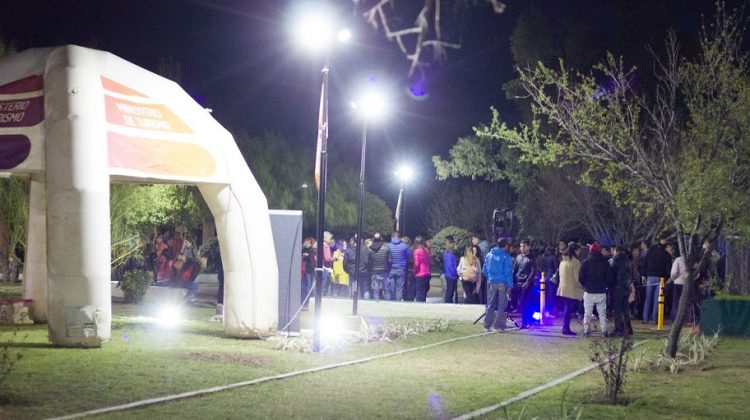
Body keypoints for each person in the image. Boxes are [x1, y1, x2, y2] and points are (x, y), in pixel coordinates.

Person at [579, 242, 614, 336]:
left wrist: (585, 285)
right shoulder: (605, 262)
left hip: (589, 291)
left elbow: (581, 277)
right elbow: (609, 277)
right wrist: (605, 285)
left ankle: (586, 331)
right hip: (601, 291)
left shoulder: (586, 262)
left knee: (587, 312)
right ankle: (604, 331)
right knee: (602, 313)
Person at [483, 238, 514, 332]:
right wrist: (510, 285)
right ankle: (498, 326)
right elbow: (508, 272)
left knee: (490, 304)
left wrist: (490, 278)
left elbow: (484, 269)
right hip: (502, 283)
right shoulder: (506, 257)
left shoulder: (489, 255)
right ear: (505, 246)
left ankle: (487, 325)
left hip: (492, 282)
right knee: (501, 305)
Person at [643, 236, 672, 324]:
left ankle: (645, 318)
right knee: (657, 299)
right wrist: (667, 278)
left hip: (650, 276)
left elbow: (645, 263)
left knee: (648, 298)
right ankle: (655, 318)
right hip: (661, 278)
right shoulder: (666, 254)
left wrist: (643, 275)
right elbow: (668, 268)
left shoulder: (651, 251)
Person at [557, 242, 583, 336]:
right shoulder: (575, 262)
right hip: (571, 289)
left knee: (566, 308)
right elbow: (577, 278)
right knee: (568, 309)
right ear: (575, 251)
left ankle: (566, 327)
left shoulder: (563, 261)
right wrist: (582, 287)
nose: (580, 252)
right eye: (579, 250)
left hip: (563, 288)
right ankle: (566, 328)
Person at [610, 246, 633, 336]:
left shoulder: (615, 260)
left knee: (618, 310)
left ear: (616, 251)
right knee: (625, 309)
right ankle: (628, 328)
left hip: (617, 287)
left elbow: (611, 273)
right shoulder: (627, 260)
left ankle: (618, 329)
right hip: (626, 287)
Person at [513, 239, 536, 328]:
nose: (522, 248)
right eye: (521, 246)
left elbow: (533, 271)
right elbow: (515, 270)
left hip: (527, 284)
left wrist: (527, 282)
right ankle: (525, 320)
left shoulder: (532, 258)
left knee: (525, 302)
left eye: (524, 246)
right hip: (518, 283)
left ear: (528, 247)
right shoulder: (518, 257)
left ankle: (525, 321)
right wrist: (513, 282)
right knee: (521, 303)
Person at [388, 232, 412, 301]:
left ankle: (392, 301)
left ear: (392, 237)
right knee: (399, 288)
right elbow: (409, 257)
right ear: (399, 237)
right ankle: (398, 302)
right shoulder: (405, 246)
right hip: (401, 269)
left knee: (391, 287)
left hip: (391, 269)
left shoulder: (388, 246)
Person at [344, 235, 370, 299]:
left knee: (354, 289)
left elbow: (345, 263)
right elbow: (369, 261)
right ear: (361, 240)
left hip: (353, 273)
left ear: (353, 240)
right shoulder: (366, 249)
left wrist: (348, 271)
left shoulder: (349, 250)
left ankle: (354, 302)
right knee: (365, 289)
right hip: (363, 272)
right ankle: (366, 303)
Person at [368, 232, 391, 301]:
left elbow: (369, 261)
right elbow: (390, 260)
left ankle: (376, 306)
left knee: (376, 291)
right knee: (386, 290)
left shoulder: (370, 249)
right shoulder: (386, 248)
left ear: (373, 239)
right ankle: (388, 305)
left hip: (374, 271)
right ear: (381, 238)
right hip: (384, 271)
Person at [540, 245, 559, 316]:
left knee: (546, 295)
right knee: (553, 295)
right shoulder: (554, 257)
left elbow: (541, 268)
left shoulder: (543, 258)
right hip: (552, 278)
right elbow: (557, 268)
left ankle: (546, 310)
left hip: (545, 278)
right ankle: (552, 311)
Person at [669, 245, 687, 320]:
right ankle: (686, 319)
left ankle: (676, 318)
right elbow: (697, 273)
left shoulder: (678, 260)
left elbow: (674, 273)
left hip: (678, 283)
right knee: (686, 302)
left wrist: (673, 279)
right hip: (687, 284)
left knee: (676, 302)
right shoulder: (691, 260)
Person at [413, 236, 431, 302]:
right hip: (427, 273)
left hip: (420, 274)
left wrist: (414, 272)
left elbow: (416, 264)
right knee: (423, 293)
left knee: (419, 294)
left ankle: (419, 308)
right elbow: (429, 262)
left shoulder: (417, 251)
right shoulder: (427, 250)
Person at [443, 236, 459, 303]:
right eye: (453, 243)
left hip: (451, 275)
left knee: (451, 292)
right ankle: (448, 304)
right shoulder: (449, 254)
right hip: (451, 276)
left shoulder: (451, 253)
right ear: (450, 244)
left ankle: (449, 303)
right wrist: (455, 274)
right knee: (449, 292)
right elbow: (450, 267)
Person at [301, 238, 315, 306]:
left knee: (308, 285)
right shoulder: (303, 250)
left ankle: (307, 300)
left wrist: (306, 256)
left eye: (307, 242)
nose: (305, 243)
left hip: (309, 270)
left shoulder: (312, 250)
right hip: (304, 270)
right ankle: (303, 300)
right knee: (303, 286)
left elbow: (311, 259)